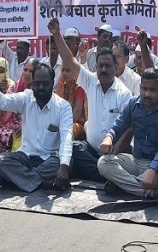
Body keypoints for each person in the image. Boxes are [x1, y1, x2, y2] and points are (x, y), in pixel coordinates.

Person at [49, 17, 131, 182]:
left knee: (112, 161)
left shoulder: (125, 93)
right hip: (91, 150)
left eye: (108, 66)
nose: (103, 69)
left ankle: (106, 171)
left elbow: (129, 129)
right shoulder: (91, 81)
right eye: (100, 66)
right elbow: (69, 60)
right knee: (72, 147)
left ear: (116, 67)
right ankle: (106, 175)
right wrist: (57, 34)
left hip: (115, 153)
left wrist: (112, 154)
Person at [0, 62, 73, 192]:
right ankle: (43, 183)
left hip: (49, 158)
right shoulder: (26, 97)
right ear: (33, 83)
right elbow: (2, 102)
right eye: (37, 84)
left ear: (52, 82)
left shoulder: (63, 106)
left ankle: (15, 179)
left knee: (64, 163)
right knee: (0, 161)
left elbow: (67, 137)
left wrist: (64, 165)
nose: (41, 87)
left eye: (45, 83)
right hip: (26, 156)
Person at [97, 68, 158, 199]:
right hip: (135, 161)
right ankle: (148, 192)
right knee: (103, 163)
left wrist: (153, 169)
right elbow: (118, 125)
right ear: (140, 88)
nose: (147, 94)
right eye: (144, 89)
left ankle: (122, 185)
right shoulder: (133, 104)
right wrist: (109, 136)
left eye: (152, 90)